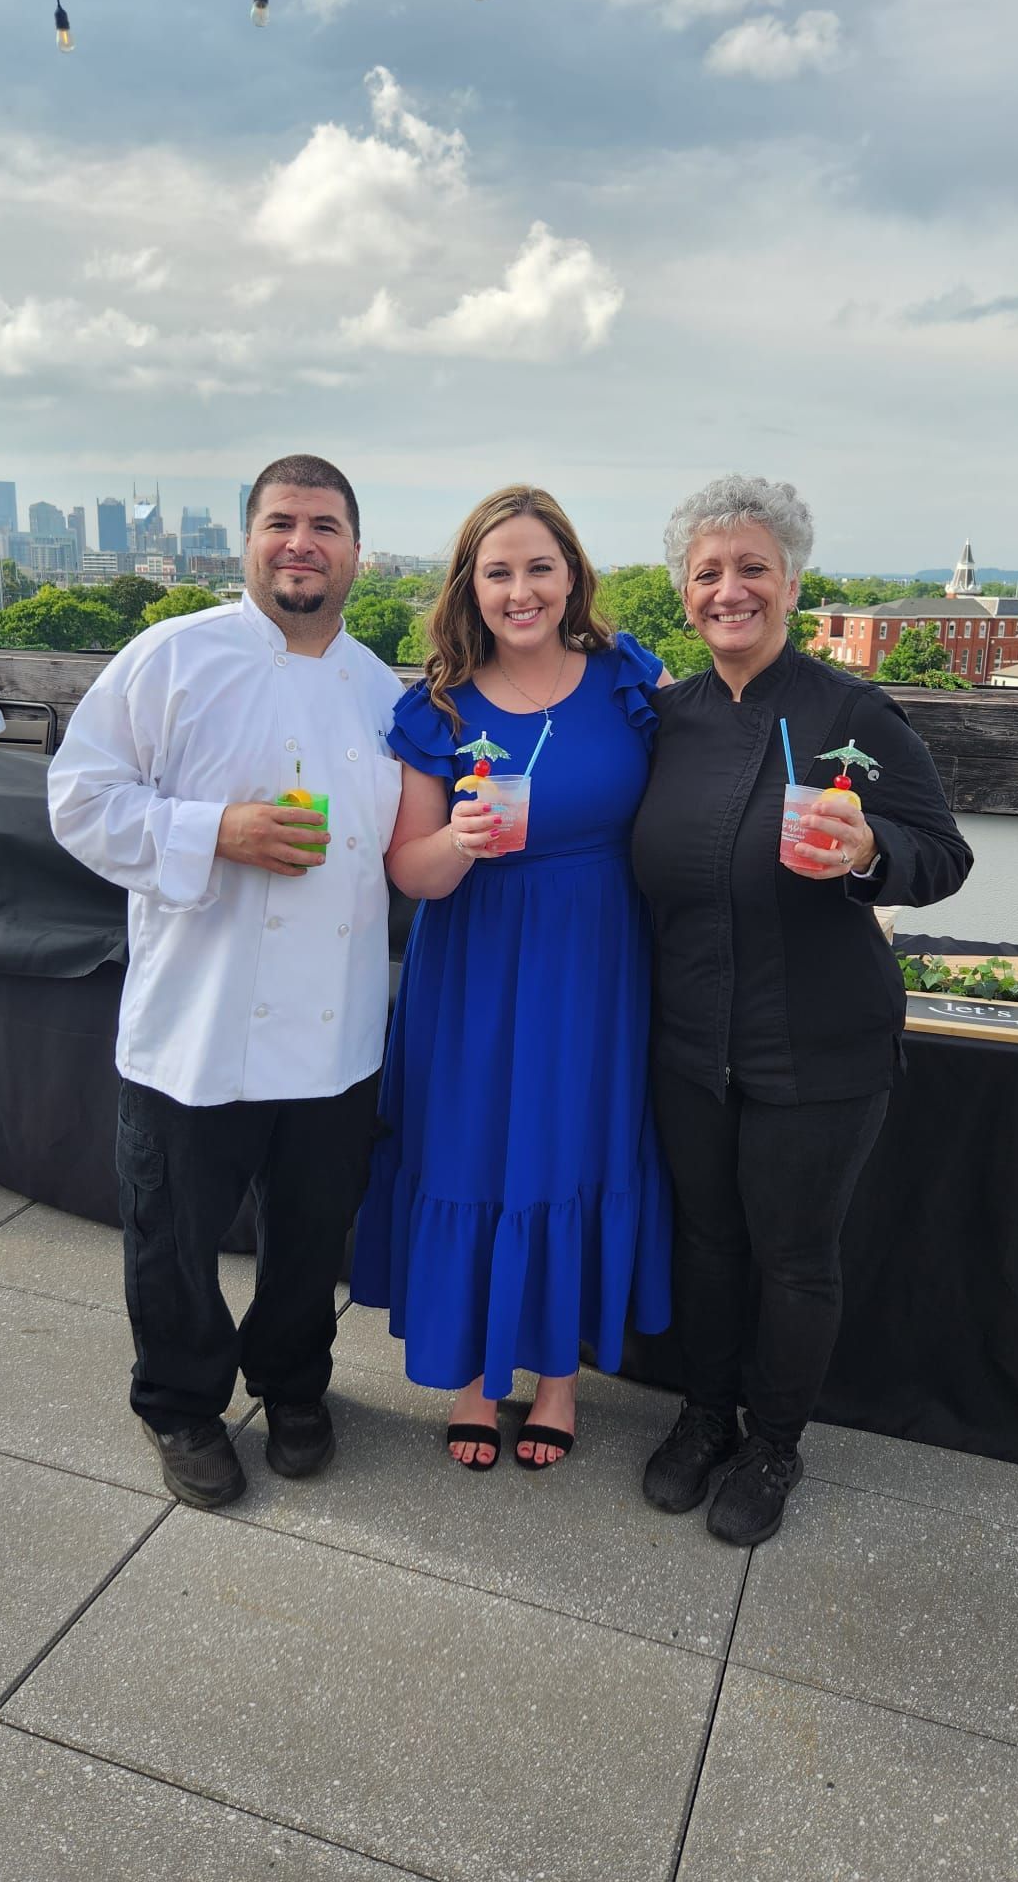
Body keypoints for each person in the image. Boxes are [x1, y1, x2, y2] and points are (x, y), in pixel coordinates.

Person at [47, 455, 402, 1508]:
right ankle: (179, 1404)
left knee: (309, 1235)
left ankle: (294, 1383)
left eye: (325, 525)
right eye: (281, 521)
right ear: (247, 540)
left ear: (355, 549)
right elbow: (78, 798)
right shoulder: (172, 656)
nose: (303, 543)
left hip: (334, 1028)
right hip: (196, 1017)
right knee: (174, 1236)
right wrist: (215, 831)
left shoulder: (381, 688)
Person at [632, 474, 973, 1546]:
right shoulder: (666, 720)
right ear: (684, 593)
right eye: (708, 572)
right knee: (706, 1240)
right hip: (689, 1039)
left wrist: (871, 850)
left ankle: (774, 1442)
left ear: (791, 585)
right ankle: (705, 1413)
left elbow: (943, 853)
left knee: (794, 1256)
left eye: (753, 568)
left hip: (820, 1043)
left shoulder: (853, 714)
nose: (729, 589)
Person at [350, 485, 672, 1470]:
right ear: (471, 587)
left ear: (572, 576)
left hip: (599, 963)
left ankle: (560, 1380)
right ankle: (474, 1380)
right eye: (499, 572)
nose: (521, 589)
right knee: (473, 1148)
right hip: (476, 966)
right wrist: (457, 838)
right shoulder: (437, 708)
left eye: (540, 567)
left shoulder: (631, 680)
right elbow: (411, 872)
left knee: (573, 1147)